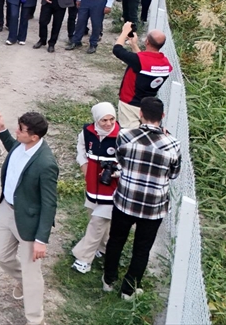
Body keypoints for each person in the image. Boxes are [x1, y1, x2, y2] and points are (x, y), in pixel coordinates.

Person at [103, 97, 181, 300]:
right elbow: (173, 174)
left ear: (140, 114)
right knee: (142, 248)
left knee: (116, 240)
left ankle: (108, 280)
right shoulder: (173, 144)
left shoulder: (125, 136)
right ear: (162, 116)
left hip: (125, 200)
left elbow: (120, 161)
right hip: (153, 207)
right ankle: (128, 290)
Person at [0, 111, 58, 325]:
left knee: (32, 272)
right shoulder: (22, 145)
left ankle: (35, 319)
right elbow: (13, 148)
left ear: (34, 137)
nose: (17, 131)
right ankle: (23, 280)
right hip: (7, 209)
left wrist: (41, 239)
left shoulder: (46, 164)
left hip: (29, 221)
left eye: (21, 130)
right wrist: (1, 130)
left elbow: (49, 203)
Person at [71, 102, 120, 274]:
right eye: (103, 120)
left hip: (112, 188)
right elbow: (81, 148)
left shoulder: (122, 136)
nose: (108, 124)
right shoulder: (87, 132)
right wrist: (84, 164)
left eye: (111, 119)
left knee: (97, 224)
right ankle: (104, 247)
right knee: (96, 218)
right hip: (93, 185)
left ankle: (83, 258)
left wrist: (117, 172)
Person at [111, 22, 172, 129]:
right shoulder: (166, 65)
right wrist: (134, 45)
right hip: (148, 106)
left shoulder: (139, 61)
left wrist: (125, 32)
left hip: (129, 104)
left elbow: (117, 50)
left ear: (147, 41)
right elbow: (145, 63)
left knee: (130, 136)